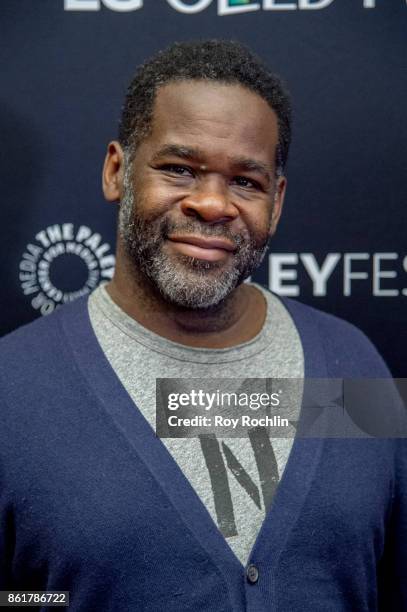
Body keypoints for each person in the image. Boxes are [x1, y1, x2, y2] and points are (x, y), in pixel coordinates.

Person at [0, 40, 405, 611]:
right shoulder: (12, 389)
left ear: (278, 200)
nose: (213, 203)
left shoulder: (353, 363)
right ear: (118, 171)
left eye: (246, 181)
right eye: (179, 169)